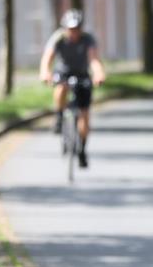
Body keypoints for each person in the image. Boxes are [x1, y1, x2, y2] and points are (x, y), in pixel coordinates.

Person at [40, 9, 106, 168]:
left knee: (84, 115)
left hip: (82, 74)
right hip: (63, 72)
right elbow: (47, 58)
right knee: (60, 87)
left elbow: (94, 60)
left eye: (77, 28)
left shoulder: (88, 39)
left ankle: (82, 149)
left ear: (81, 28)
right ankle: (59, 117)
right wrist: (45, 72)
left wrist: (99, 73)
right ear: (65, 28)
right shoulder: (58, 38)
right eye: (70, 29)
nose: (74, 32)